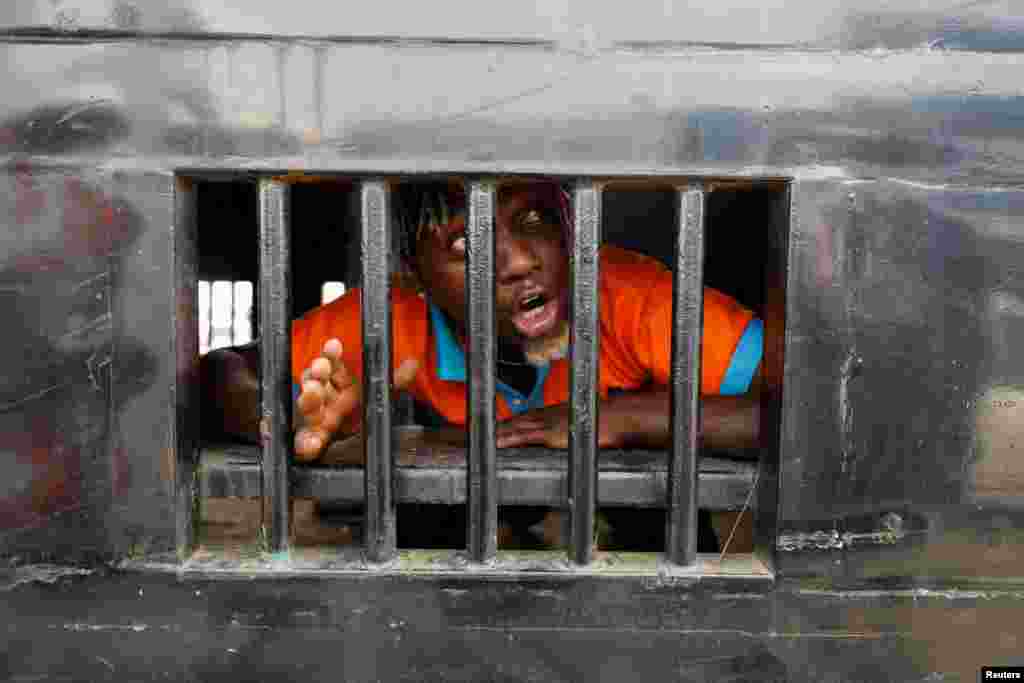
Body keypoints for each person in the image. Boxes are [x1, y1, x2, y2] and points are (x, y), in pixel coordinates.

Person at [201, 179, 762, 550]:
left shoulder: (635, 297)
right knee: (430, 510)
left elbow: (801, 408)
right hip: (475, 521)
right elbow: (221, 369)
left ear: (573, 226)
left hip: (625, 529)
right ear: (413, 275)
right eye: (468, 243)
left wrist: (625, 419)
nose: (520, 261)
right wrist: (279, 418)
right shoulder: (393, 314)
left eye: (537, 219)